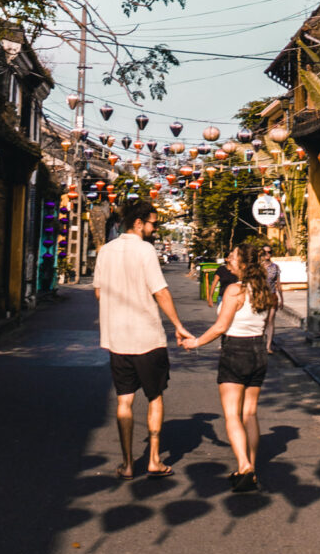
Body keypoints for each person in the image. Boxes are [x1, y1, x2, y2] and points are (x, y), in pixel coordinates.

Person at [93, 200, 193, 480]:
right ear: (139, 223)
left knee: (124, 401)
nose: (155, 229)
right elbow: (160, 291)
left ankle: (126, 464)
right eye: (153, 223)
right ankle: (153, 460)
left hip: (117, 339)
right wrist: (178, 325)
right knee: (154, 397)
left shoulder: (107, 251)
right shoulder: (145, 250)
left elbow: (99, 293)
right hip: (147, 337)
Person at [180, 244, 276, 492]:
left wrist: (196, 342)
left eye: (232, 257)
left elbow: (221, 327)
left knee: (232, 414)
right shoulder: (264, 289)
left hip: (235, 351)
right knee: (250, 414)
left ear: (243, 263)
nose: (228, 260)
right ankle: (250, 470)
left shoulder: (235, 290)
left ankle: (244, 466)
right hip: (258, 352)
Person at [261, 246, 284, 354]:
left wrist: (282, 299)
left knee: (270, 320)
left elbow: (278, 284)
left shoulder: (275, 267)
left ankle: (268, 346)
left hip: (272, 295)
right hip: (260, 296)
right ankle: (260, 342)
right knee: (262, 320)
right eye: (265, 252)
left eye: (269, 252)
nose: (267, 254)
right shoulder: (258, 267)